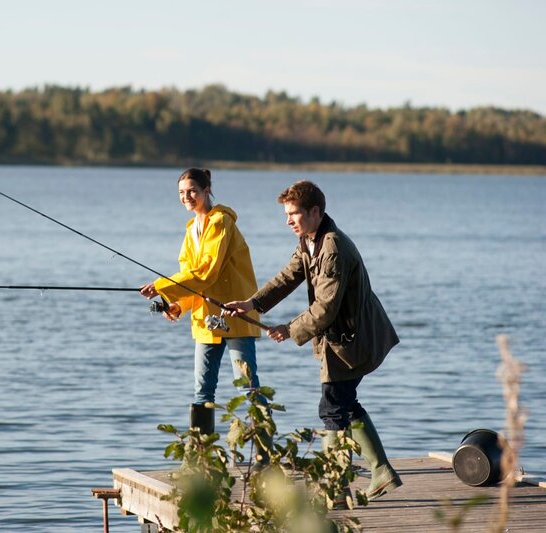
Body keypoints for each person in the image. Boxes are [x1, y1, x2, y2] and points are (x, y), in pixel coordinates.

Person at [225, 179, 402, 501]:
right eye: (287, 214)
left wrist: (289, 329)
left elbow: (325, 307)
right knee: (344, 404)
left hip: (353, 341)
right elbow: (289, 276)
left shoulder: (332, 247)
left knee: (332, 409)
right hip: (342, 340)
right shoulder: (310, 240)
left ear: (316, 212)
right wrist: (253, 304)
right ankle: (381, 471)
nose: (288, 220)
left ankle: (334, 488)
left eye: (294, 213)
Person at [140, 168, 264, 439]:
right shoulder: (190, 230)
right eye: (182, 193)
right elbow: (190, 277)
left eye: (192, 191)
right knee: (202, 391)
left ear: (207, 190)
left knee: (247, 388)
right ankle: (201, 458)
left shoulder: (221, 222)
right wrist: (179, 305)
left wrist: (161, 286)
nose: (187, 197)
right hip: (205, 319)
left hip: (234, 314)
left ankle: (266, 457)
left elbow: (208, 271)